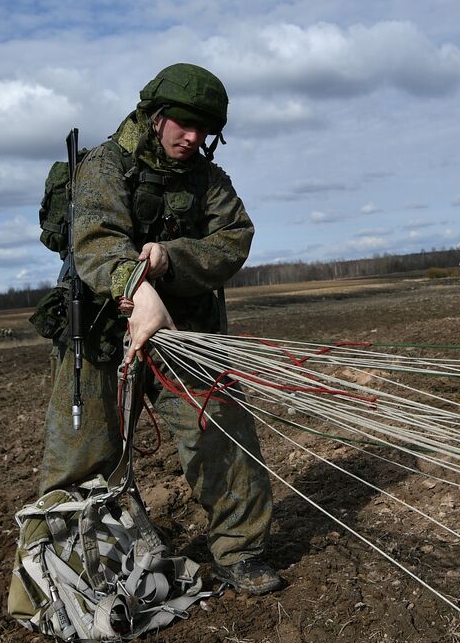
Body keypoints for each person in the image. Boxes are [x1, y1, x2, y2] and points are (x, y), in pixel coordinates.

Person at [38, 62, 283, 595]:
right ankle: (65, 563)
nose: (192, 138)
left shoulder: (209, 181)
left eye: (203, 130)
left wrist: (170, 260)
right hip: (103, 335)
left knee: (221, 436)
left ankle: (241, 551)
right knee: (82, 453)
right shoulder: (105, 166)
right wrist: (135, 282)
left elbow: (233, 239)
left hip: (186, 336)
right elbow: (97, 241)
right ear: (156, 118)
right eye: (182, 124)